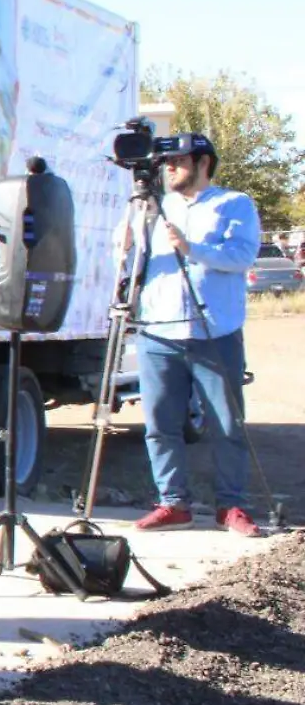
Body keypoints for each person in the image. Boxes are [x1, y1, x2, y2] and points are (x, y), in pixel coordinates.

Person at [117, 134, 264, 538]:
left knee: (227, 424)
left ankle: (231, 506)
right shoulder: (150, 206)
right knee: (161, 425)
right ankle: (173, 503)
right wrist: (124, 243)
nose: (169, 168)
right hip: (158, 331)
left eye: (178, 160)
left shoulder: (234, 204)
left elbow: (242, 256)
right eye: (165, 162)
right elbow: (129, 259)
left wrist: (191, 247)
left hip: (214, 330)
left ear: (202, 162)